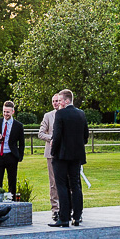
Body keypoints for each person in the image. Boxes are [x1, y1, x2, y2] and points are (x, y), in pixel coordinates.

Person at [49, 89, 90, 227]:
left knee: (61, 186)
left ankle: (64, 218)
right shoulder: (81, 114)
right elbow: (85, 136)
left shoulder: (60, 114)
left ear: (67, 101)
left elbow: (57, 135)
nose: (58, 103)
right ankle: (77, 216)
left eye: (60, 100)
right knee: (76, 185)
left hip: (61, 155)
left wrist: (53, 152)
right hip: (77, 155)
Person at [0, 101, 25, 197]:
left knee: (12, 182)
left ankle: (12, 203)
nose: (6, 114)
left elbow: (21, 143)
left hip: (11, 156)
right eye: (4, 111)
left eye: (8, 112)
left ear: (13, 112)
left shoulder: (18, 125)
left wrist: (20, 156)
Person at [38, 95, 64, 221]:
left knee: (67, 181)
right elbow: (41, 133)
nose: (55, 103)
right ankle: (55, 209)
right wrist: (52, 138)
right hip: (51, 153)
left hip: (65, 153)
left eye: (57, 101)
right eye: (53, 101)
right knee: (53, 183)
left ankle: (67, 208)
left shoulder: (66, 114)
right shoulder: (48, 116)